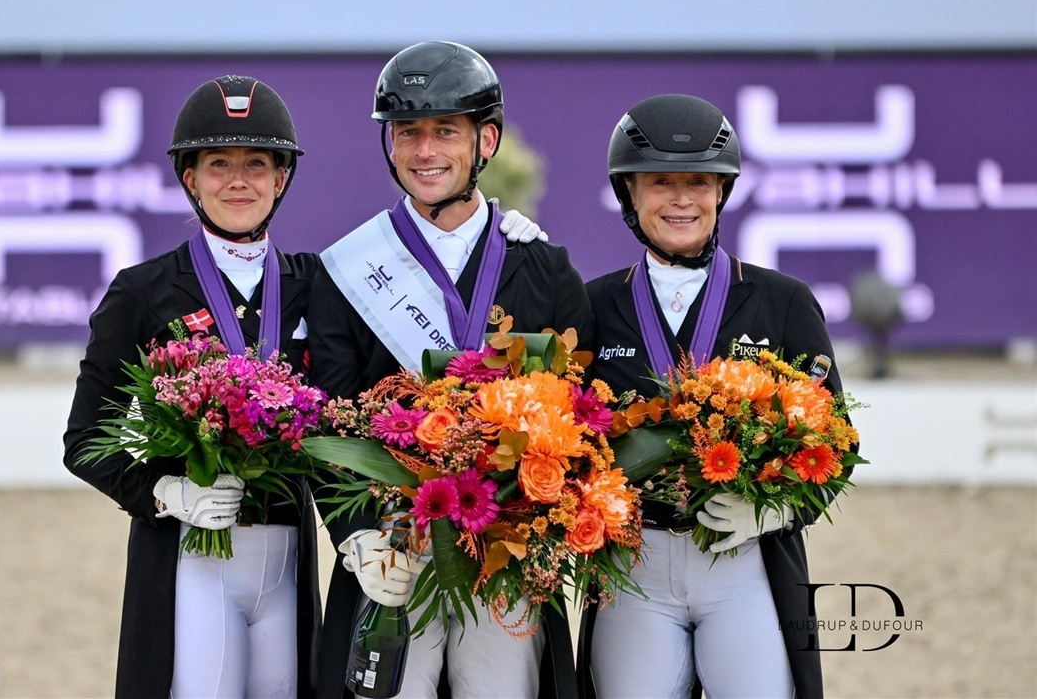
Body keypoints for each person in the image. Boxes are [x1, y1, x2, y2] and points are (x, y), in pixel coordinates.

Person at [62, 74, 547, 699]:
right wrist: (163, 492)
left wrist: (502, 239)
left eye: (256, 164)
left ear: (281, 178)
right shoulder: (141, 291)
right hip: (188, 553)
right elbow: (84, 440)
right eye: (218, 165)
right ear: (190, 179)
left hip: (289, 561)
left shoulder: (319, 282)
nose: (239, 181)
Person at [307, 41, 592, 699]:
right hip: (393, 550)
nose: (424, 150)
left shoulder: (545, 270)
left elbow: (579, 411)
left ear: (485, 140)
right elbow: (330, 420)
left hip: (506, 552)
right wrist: (356, 538)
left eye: (445, 131)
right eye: (407, 132)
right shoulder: (345, 271)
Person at [578, 94, 847, 699]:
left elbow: (837, 444)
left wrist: (778, 511)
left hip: (743, 560)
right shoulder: (593, 306)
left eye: (698, 182)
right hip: (634, 569)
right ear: (629, 193)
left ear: (721, 191)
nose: (681, 199)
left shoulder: (783, 301)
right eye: (660, 182)